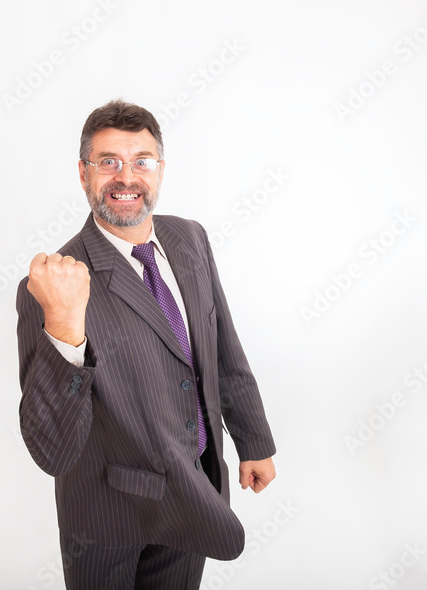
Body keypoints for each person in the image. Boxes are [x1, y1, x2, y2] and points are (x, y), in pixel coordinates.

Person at [16, 99, 276, 589]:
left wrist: (254, 441)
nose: (126, 177)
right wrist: (65, 323)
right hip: (108, 515)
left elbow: (222, 349)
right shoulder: (54, 285)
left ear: (160, 170)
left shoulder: (190, 238)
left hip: (194, 489)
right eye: (108, 162)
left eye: (141, 162)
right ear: (83, 174)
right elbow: (52, 450)